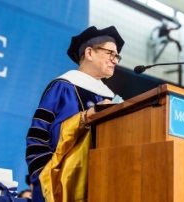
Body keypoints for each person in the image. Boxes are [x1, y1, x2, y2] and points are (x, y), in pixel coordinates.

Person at [25, 26, 125, 202]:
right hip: (65, 184)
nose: (115, 60)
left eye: (117, 56)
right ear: (89, 53)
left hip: (104, 181)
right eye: (111, 53)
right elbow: (39, 135)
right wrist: (44, 175)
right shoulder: (64, 86)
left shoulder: (110, 98)